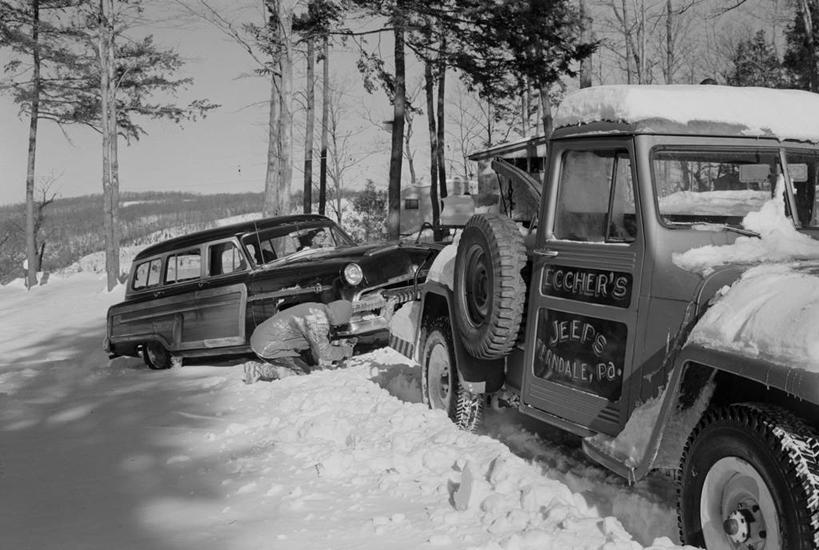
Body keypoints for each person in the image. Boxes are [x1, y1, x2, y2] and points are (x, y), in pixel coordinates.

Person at [242, 300, 355, 384]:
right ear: (341, 316)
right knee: (302, 373)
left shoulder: (318, 309)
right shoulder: (318, 321)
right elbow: (325, 353)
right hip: (268, 344)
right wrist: (345, 351)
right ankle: (258, 369)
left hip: (266, 337)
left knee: (309, 363)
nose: (341, 325)